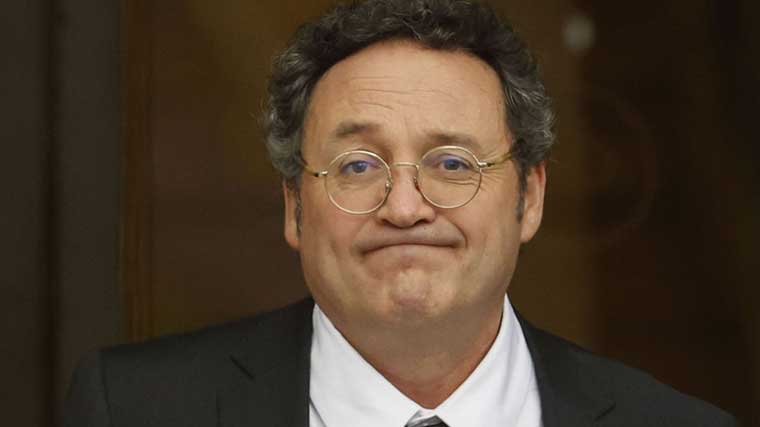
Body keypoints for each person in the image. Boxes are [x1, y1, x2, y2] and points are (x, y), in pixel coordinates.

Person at [64, 1, 736, 426]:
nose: (406, 208)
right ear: (295, 206)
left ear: (530, 197)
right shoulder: (133, 410)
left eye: (453, 163)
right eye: (358, 166)